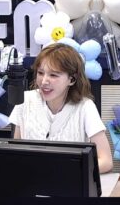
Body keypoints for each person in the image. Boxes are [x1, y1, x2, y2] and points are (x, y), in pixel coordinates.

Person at [9, 43, 113, 173]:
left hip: (71, 181)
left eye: (53, 75)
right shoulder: (24, 100)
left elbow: (106, 161)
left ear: (72, 79)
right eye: (40, 73)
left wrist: (66, 172)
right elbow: (15, 154)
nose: (44, 81)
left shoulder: (85, 107)